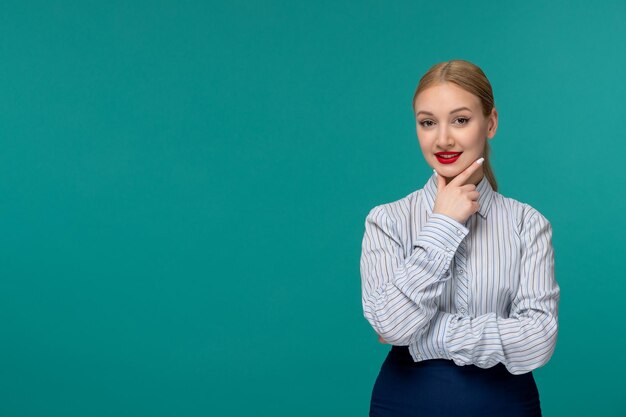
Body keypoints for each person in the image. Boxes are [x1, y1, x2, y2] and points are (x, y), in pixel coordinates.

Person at [359, 59, 560, 417]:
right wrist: (443, 224)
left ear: (491, 123)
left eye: (461, 120)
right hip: (404, 404)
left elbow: (538, 341)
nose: (443, 139)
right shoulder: (386, 221)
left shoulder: (528, 224)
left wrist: (425, 336)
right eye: (427, 123)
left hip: (506, 405)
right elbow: (391, 325)